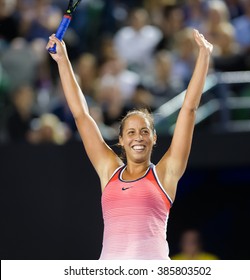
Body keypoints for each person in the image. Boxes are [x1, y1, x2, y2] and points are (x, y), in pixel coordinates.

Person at [46, 28, 213, 260]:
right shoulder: (108, 170)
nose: (138, 137)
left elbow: (189, 110)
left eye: (145, 131)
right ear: (122, 140)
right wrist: (63, 61)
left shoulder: (166, 173)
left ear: (154, 138)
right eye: (131, 132)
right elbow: (81, 115)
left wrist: (204, 56)